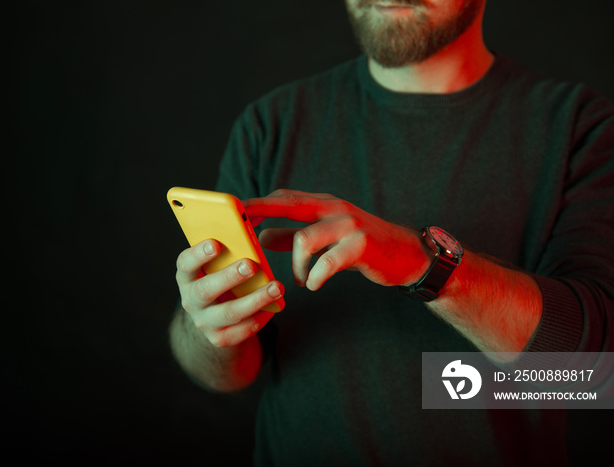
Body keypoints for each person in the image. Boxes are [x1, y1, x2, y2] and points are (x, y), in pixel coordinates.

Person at [169, 0, 614, 465]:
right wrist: (206, 328)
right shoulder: (270, 123)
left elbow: (591, 375)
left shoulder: (578, 128)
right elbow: (231, 372)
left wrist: (422, 262)